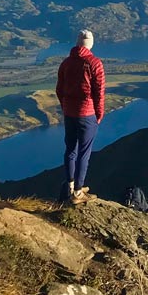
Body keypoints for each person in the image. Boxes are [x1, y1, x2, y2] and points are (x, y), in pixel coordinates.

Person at [56, 29, 105, 205]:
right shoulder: (95, 63)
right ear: (91, 44)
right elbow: (99, 93)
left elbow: (59, 90)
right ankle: (77, 192)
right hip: (87, 114)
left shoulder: (66, 63)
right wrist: (99, 114)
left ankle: (70, 187)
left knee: (70, 150)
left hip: (70, 114)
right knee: (84, 153)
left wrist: (65, 107)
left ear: (77, 43)